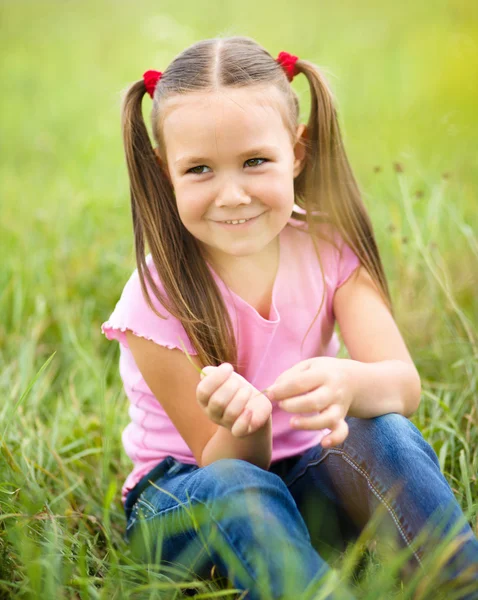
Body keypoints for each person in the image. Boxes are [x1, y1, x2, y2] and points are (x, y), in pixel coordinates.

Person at [102, 36, 478, 599]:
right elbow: (225, 462)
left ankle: (459, 583)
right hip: (189, 497)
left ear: (296, 153)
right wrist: (241, 423)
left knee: (387, 433)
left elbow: (402, 386)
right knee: (241, 487)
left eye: (255, 162)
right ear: (165, 173)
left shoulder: (331, 247)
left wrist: (352, 381)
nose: (232, 195)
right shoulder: (154, 297)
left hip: (303, 469)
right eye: (200, 169)